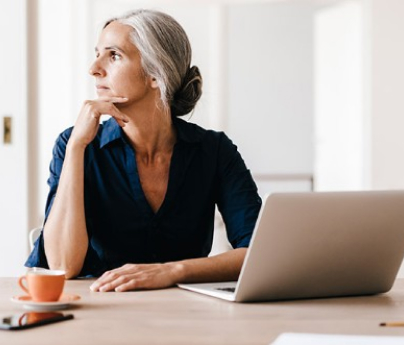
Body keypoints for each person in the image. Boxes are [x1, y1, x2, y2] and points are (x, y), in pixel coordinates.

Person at [25, 9, 262, 292]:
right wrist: (77, 147)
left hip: (186, 316)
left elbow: (258, 253)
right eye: (97, 53)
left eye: (113, 55)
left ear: (154, 74)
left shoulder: (214, 151)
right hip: (97, 311)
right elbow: (63, 266)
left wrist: (172, 271)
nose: (94, 68)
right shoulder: (74, 144)